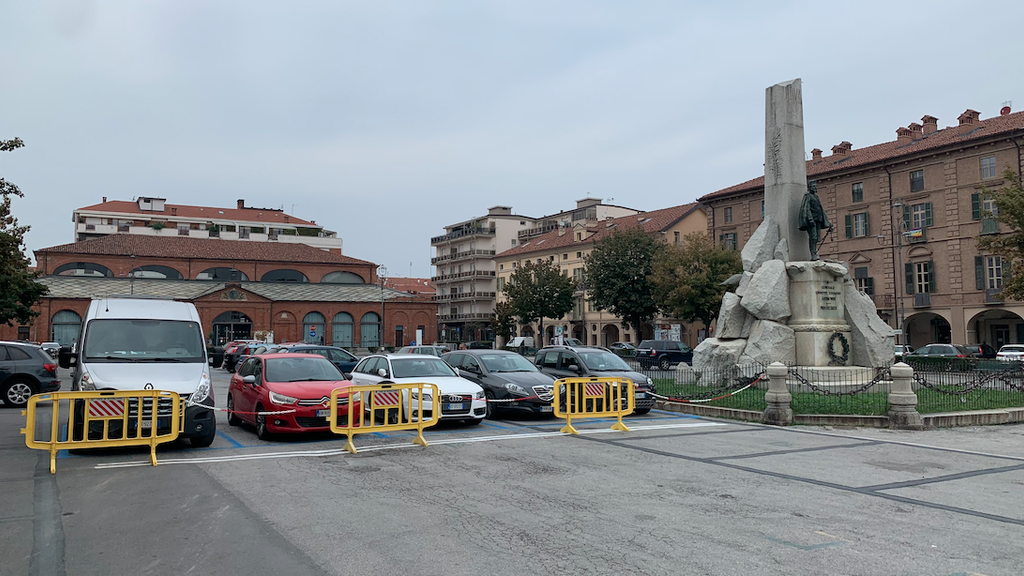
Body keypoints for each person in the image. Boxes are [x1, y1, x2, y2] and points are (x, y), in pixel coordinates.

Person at [798, 180, 833, 260]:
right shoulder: (808, 196)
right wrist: (810, 219)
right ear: (809, 187)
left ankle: (815, 252)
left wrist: (828, 223)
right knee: (813, 237)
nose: (815, 188)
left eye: (815, 186)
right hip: (812, 220)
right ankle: (813, 253)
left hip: (818, 219)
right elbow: (806, 208)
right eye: (813, 186)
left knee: (816, 238)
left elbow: (821, 210)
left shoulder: (816, 197)